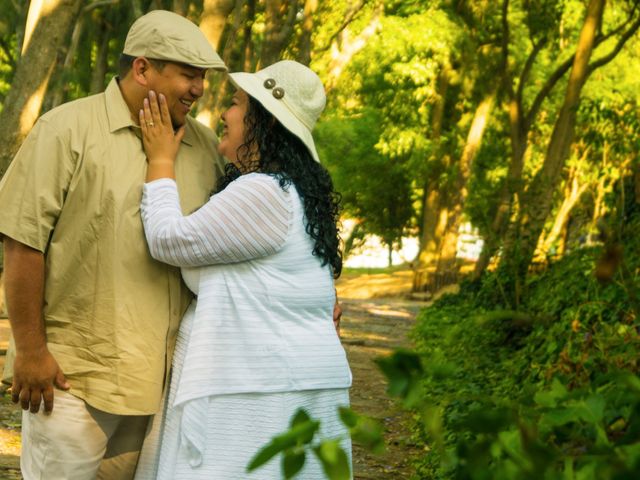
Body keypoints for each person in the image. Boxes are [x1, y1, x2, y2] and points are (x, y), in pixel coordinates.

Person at [0, 10, 228, 480]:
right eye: (188, 74)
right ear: (142, 69)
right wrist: (30, 351)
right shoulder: (65, 130)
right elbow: (23, 244)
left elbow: (242, 234)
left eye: (202, 77)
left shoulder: (206, 148)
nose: (199, 89)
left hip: (165, 387)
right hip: (73, 377)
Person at [133, 60, 352, 479]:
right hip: (280, 385)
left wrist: (160, 159)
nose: (223, 114)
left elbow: (167, 239)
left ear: (262, 122)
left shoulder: (264, 191)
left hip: (255, 393)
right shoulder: (295, 192)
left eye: (235, 104)